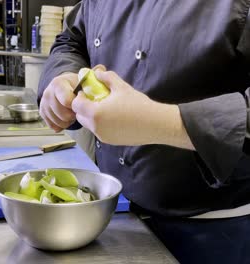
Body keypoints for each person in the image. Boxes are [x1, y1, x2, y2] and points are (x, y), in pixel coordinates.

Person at [38, 1, 250, 263]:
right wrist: (63, 75)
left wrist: (163, 122)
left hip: (215, 232)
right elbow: (72, 39)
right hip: (111, 214)